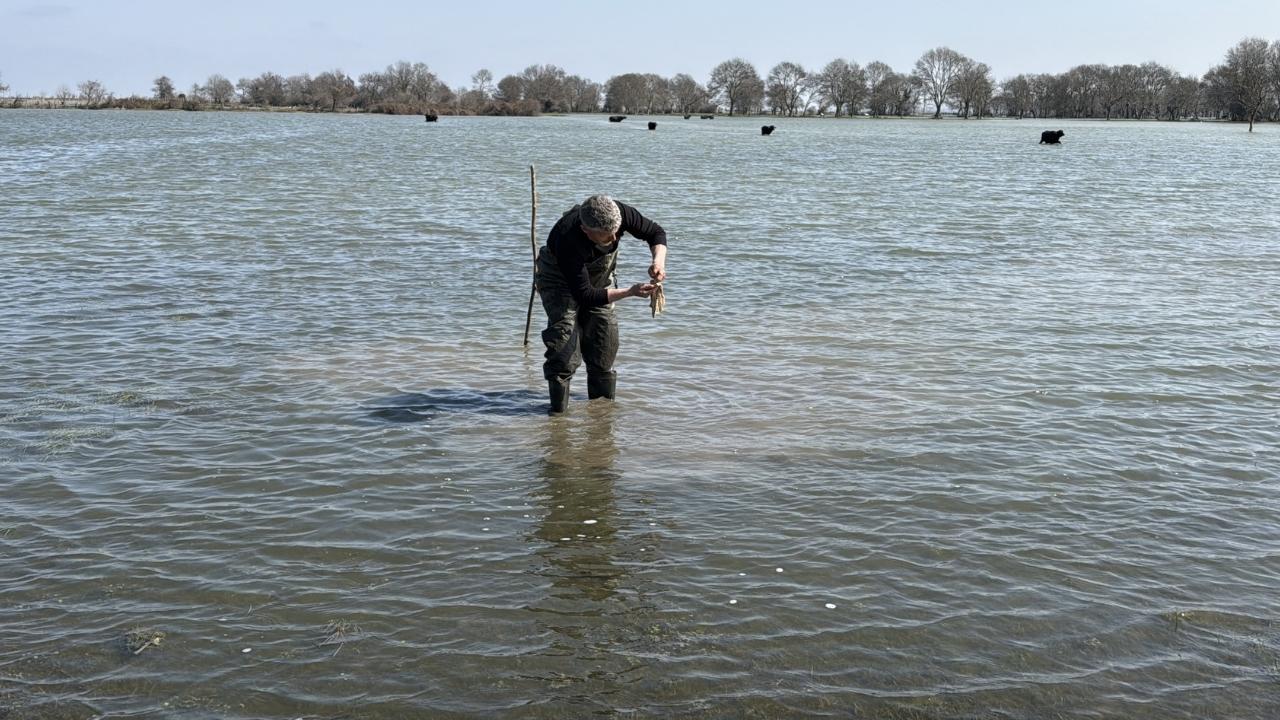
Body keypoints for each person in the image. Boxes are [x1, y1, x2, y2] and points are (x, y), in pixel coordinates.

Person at [536, 194, 667, 414]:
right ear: (587, 231)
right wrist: (630, 292)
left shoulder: (620, 213)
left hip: (599, 278)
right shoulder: (567, 238)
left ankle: (601, 419)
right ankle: (558, 420)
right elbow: (585, 295)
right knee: (564, 344)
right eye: (607, 235)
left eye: (617, 231)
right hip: (560, 281)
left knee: (604, 341)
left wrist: (657, 262)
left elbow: (656, 233)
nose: (615, 237)